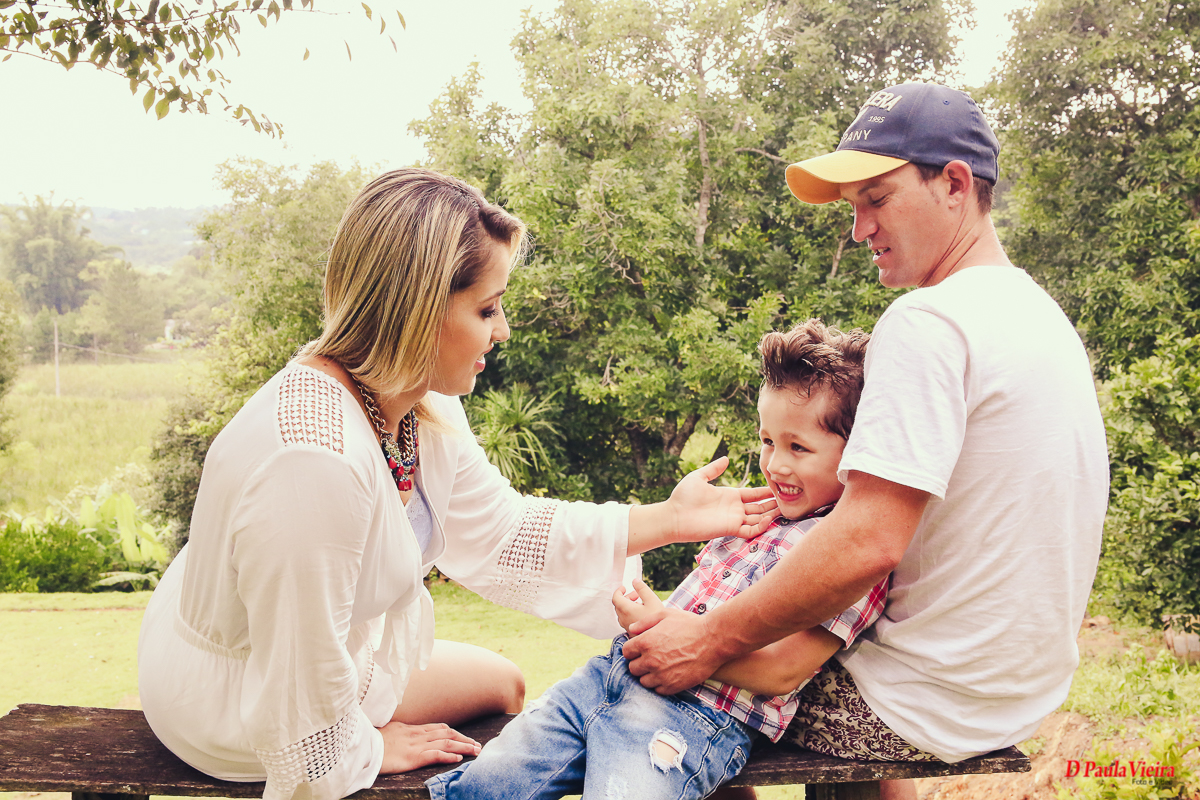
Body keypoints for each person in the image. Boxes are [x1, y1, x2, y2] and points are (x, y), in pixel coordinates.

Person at [137, 169, 780, 800]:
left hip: (330, 652)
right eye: (487, 309)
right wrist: (365, 745)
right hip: (236, 692)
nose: (502, 331)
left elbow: (504, 532)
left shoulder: (418, 402)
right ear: (416, 311)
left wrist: (671, 518)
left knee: (505, 683)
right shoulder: (312, 462)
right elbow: (295, 689)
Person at [622, 82, 1110, 792]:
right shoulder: (1041, 318)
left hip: (919, 696)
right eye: (854, 209)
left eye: (876, 199)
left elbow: (865, 542)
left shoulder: (928, 322)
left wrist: (705, 640)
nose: (859, 230)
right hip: (1013, 693)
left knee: (650, 684)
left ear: (954, 183)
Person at [425, 320, 885, 800]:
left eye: (799, 447)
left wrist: (663, 628)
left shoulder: (847, 547)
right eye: (769, 441)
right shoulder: (753, 517)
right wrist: (651, 608)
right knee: (482, 786)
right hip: (607, 677)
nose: (775, 464)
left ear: (856, 452)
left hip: (697, 715)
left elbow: (782, 671)